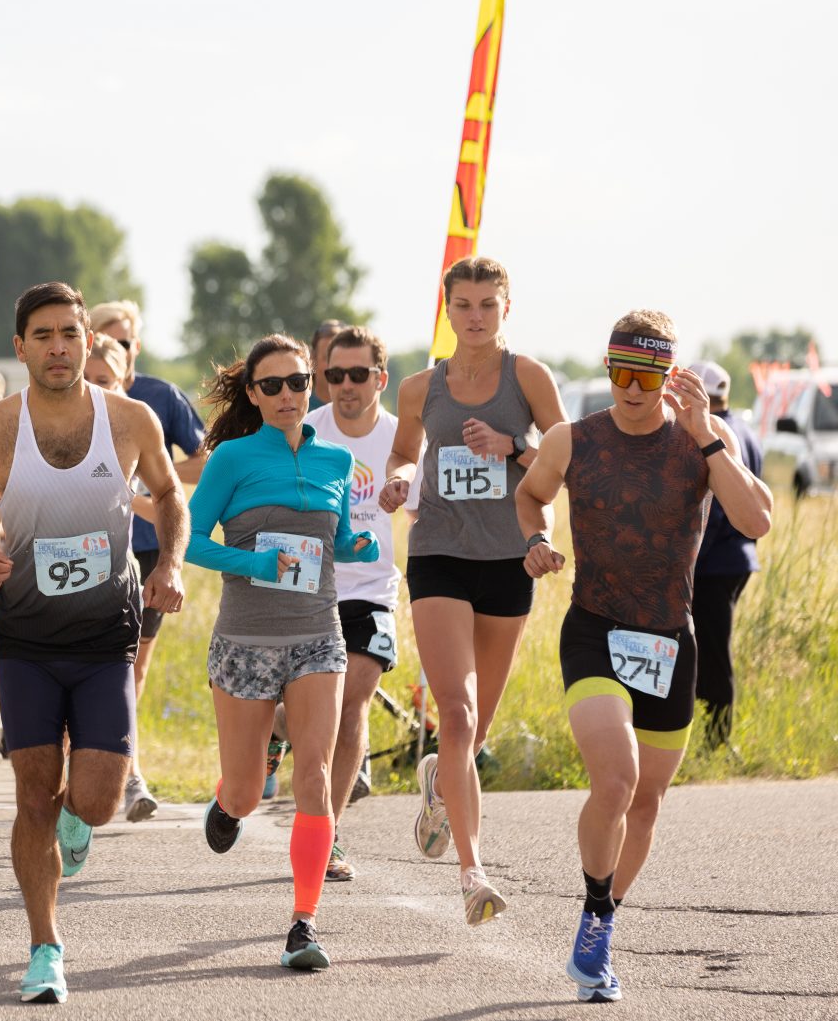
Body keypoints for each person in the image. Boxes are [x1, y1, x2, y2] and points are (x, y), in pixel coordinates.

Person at [0, 282, 188, 1002]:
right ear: (20, 347)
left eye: (69, 335)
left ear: (88, 341)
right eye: (43, 335)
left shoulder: (130, 419)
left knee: (99, 799)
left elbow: (171, 495)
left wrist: (168, 562)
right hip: (26, 642)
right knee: (33, 798)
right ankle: (44, 946)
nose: (57, 347)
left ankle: (83, 813)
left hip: (107, 638)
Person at [516, 312, 771, 1003]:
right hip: (595, 627)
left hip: (670, 638)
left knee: (649, 802)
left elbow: (756, 521)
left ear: (670, 376)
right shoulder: (574, 439)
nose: (632, 387)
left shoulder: (701, 442)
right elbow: (530, 494)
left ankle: (599, 921)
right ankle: (597, 909)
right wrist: (535, 540)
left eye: (647, 375)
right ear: (607, 369)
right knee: (619, 778)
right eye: (621, 372)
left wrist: (709, 440)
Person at [380, 255, 567, 924]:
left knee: (474, 731)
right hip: (438, 556)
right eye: (465, 305)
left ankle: (437, 776)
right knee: (455, 715)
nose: (477, 316)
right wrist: (401, 479)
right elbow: (404, 450)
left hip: (508, 560)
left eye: (488, 304)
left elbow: (563, 454)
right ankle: (472, 872)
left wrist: (511, 445)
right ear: (448, 308)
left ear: (506, 308)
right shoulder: (420, 387)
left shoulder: (530, 377)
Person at [185, 332, 376, 971]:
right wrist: (256, 561)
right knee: (246, 793)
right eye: (273, 385)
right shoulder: (233, 459)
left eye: (298, 382)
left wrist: (357, 549)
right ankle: (227, 801)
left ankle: (304, 922)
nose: (289, 395)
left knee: (314, 772)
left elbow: (339, 537)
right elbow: (191, 543)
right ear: (253, 394)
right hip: (246, 639)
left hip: (319, 634)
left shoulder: (336, 463)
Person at [302, 325, 416, 881]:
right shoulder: (305, 433)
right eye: (334, 375)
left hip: (372, 592)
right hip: (308, 590)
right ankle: (277, 733)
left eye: (357, 375)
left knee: (353, 704)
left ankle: (329, 835)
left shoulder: (401, 439)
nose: (344, 385)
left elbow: (426, 503)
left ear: (380, 378)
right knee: (306, 717)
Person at [88, 299, 207, 822]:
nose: (116, 347)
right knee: (89, 665)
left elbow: (205, 459)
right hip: (89, 549)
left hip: (148, 548)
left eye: (125, 342)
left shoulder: (157, 400)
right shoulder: (63, 405)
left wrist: (153, 490)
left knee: (132, 667)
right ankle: (96, 772)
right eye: (103, 337)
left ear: (133, 354)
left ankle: (128, 774)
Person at [686, 361, 764, 750]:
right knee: (713, 648)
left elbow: (716, 509)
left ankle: (717, 743)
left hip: (713, 563)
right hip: (740, 558)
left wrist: (692, 559)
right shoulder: (746, 429)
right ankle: (710, 738)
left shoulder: (714, 433)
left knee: (711, 652)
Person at [308, 319, 348, 411]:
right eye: (328, 357)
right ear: (312, 361)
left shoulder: (362, 414)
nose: (337, 366)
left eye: (343, 358)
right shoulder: (298, 413)